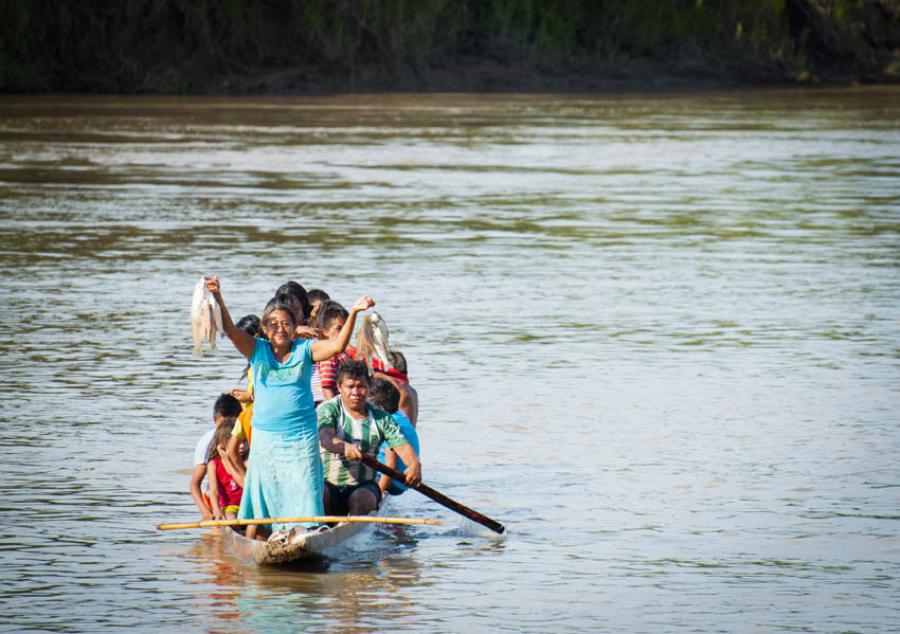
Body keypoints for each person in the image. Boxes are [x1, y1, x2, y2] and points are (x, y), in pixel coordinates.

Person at [205, 276, 374, 540]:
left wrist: (353, 312)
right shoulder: (256, 349)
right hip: (266, 440)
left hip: (300, 437)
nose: (280, 329)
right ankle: (265, 535)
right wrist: (218, 297)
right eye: (273, 324)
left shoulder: (305, 350)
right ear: (264, 327)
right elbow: (229, 329)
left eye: (286, 323)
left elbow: (338, 345)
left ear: (295, 327)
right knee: (267, 498)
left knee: (305, 488)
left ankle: (305, 533)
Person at [318, 360, 421, 516]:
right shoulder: (328, 410)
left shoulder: (381, 418)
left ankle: (349, 527)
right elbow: (326, 438)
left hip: (363, 486)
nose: (356, 393)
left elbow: (402, 446)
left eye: (361, 387)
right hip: (328, 484)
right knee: (318, 494)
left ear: (368, 387)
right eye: (350, 387)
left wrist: (414, 464)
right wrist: (344, 447)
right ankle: (320, 527)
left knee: (360, 500)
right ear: (339, 388)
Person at [190, 393, 242, 520]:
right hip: (216, 499)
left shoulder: (243, 437)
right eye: (222, 425)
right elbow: (195, 483)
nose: (227, 431)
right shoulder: (207, 442)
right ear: (215, 420)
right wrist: (205, 512)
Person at [368, 378, 420, 496]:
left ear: (380, 408)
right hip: (399, 480)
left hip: (394, 482)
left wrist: (378, 495)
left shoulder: (389, 424)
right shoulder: (399, 413)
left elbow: (391, 465)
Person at [207, 421, 245, 520]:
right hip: (230, 507)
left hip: (246, 505)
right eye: (238, 442)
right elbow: (213, 491)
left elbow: (245, 485)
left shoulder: (246, 461)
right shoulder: (213, 464)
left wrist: (227, 460)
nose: (242, 446)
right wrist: (217, 511)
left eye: (244, 441)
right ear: (222, 443)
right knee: (230, 515)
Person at [315, 300, 350, 401]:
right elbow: (327, 387)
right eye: (339, 329)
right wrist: (335, 412)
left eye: (346, 328)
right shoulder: (329, 356)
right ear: (325, 331)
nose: (344, 333)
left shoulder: (342, 353)